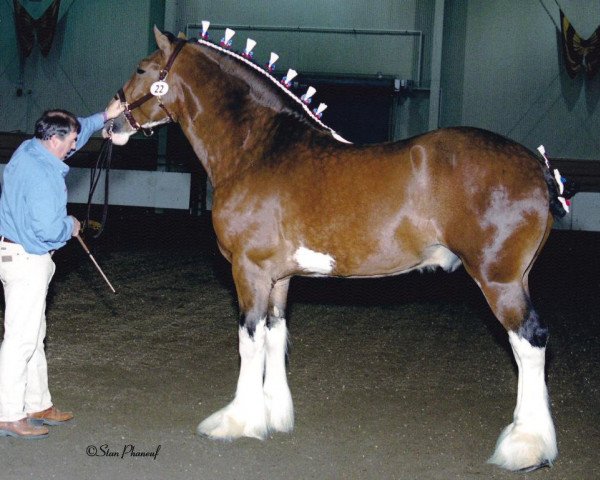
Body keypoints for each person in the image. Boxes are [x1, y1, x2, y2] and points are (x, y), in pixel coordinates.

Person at [0, 100, 124, 439]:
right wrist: (70, 225)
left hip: (18, 254)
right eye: (70, 142)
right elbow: (48, 230)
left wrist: (104, 117)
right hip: (27, 260)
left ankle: (37, 403)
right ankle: (8, 413)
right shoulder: (42, 176)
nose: (74, 146)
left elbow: (78, 129)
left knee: (33, 335)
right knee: (21, 340)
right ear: (55, 140)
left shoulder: (31, 148)